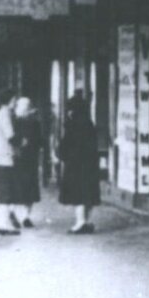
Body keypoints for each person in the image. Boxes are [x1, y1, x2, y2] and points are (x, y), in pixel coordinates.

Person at [59, 89, 101, 234]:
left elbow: (66, 144)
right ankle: (87, 221)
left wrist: (61, 154)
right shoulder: (89, 123)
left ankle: (80, 222)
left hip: (75, 164)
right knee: (88, 193)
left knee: (77, 195)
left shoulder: (72, 124)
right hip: (90, 164)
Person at [0, 91, 24, 234]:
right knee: (5, 193)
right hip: (2, 160)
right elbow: (11, 137)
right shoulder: (5, 114)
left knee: (4, 192)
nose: (15, 102)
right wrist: (22, 142)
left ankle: (4, 223)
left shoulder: (2, 114)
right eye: (14, 100)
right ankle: (3, 224)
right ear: (9, 100)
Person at [11, 95, 43, 227]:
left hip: (20, 159)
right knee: (28, 188)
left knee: (19, 187)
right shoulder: (34, 123)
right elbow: (40, 141)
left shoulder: (15, 122)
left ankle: (16, 213)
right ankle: (24, 216)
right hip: (29, 159)